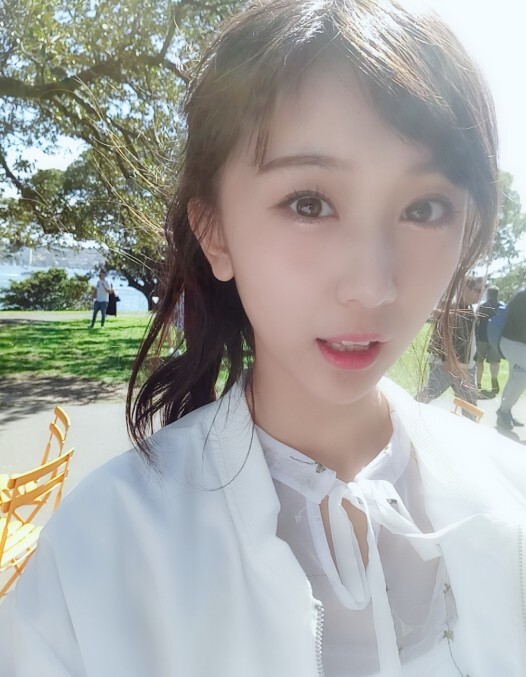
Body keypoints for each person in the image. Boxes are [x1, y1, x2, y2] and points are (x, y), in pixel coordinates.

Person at [1, 2, 526, 676]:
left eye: (424, 209)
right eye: (309, 204)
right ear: (215, 232)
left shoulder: (509, 500)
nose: (372, 286)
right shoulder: (95, 557)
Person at [416, 277, 483, 411]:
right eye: (478, 290)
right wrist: (448, 360)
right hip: (447, 364)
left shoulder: (468, 310)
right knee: (429, 394)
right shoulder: (451, 308)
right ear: (465, 288)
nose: (480, 295)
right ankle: (404, 412)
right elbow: (442, 336)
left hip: (464, 366)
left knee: (470, 404)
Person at [496, 287, 526, 430]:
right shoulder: (523, 296)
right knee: (520, 378)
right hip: (514, 343)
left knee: (515, 377)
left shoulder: (521, 293)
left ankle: (504, 410)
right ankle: (504, 411)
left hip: (512, 343)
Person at [475, 285, 504, 398]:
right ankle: (494, 379)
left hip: (482, 337)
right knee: (494, 362)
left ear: (488, 294)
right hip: (495, 339)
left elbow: (476, 321)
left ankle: (478, 383)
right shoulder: (501, 307)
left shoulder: (482, 307)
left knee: (479, 361)